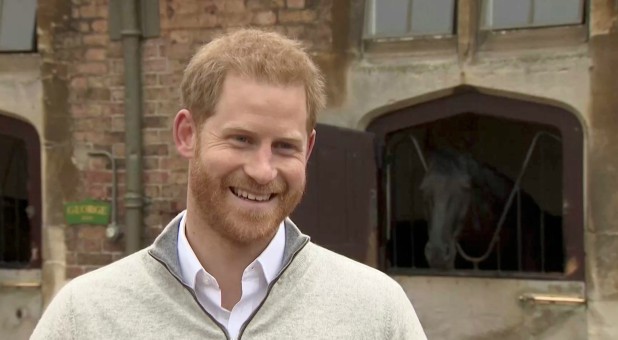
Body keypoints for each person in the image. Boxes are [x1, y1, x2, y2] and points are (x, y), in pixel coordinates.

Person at [31, 28, 426, 340]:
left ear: (307, 151)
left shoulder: (376, 311)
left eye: (284, 147)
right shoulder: (86, 316)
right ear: (188, 134)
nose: (262, 170)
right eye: (241, 139)